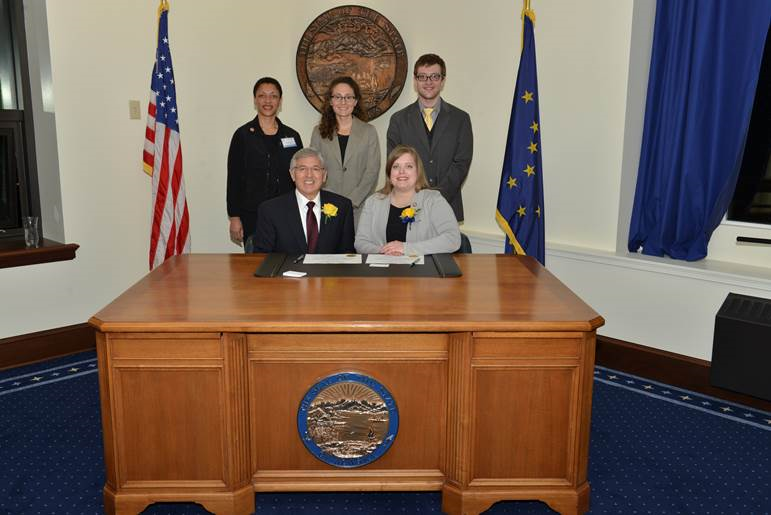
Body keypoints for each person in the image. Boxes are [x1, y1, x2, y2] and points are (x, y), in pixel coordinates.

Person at [386, 53, 473, 222]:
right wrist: (418, 197)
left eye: (434, 76)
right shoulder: (398, 120)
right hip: (407, 208)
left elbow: (461, 164)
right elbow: (394, 165)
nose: (428, 82)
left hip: (447, 206)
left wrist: (436, 197)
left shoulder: (461, 119)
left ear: (443, 80)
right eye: (423, 77)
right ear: (415, 80)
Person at [226, 77, 302, 251]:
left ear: (280, 101)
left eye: (273, 96)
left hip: (288, 214)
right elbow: (234, 178)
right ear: (255, 100)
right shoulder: (243, 135)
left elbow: (300, 176)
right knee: (256, 269)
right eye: (262, 96)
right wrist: (235, 217)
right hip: (253, 216)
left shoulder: (292, 136)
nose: (268, 101)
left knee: (288, 268)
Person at [355, 145, 460, 256]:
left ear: (418, 172)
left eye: (409, 166)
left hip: (423, 270)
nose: (401, 172)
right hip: (383, 269)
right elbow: (360, 242)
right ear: (389, 174)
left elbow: (453, 239)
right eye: (396, 167)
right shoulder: (373, 201)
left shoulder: (433, 200)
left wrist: (405, 248)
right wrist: (385, 251)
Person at [253, 148, 354, 254]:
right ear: (292, 175)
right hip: (285, 270)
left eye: (315, 169)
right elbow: (262, 257)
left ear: (324, 175)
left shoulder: (343, 206)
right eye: (302, 169)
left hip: (329, 271)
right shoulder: (270, 210)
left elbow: (347, 255)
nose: (309, 175)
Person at [310, 76, 380, 226]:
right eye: (338, 97)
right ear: (330, 101)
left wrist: (351, 201)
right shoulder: (318, 132)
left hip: (359, 209)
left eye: (348, 97)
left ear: (355, 101)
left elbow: (372, 171)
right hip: (327, 207)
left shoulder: (369, 132)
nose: (343, 102)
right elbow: (314, 169)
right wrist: (332, 201)